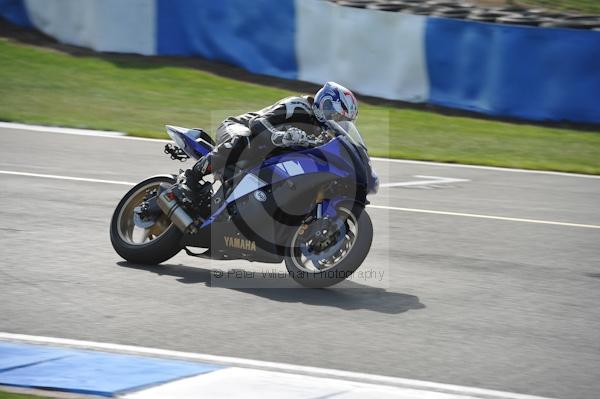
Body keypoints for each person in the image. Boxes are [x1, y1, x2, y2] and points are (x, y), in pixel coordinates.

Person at [185, 81, 359, 195]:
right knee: (244, 139)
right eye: (336, 116)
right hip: (239, 127)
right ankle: (192, 175)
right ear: (325, 103)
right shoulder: (298, 105)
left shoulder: (323, 132)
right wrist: (278, 136)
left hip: (264, 156)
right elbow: (257, 123)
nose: (336, 122)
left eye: (341, 120)